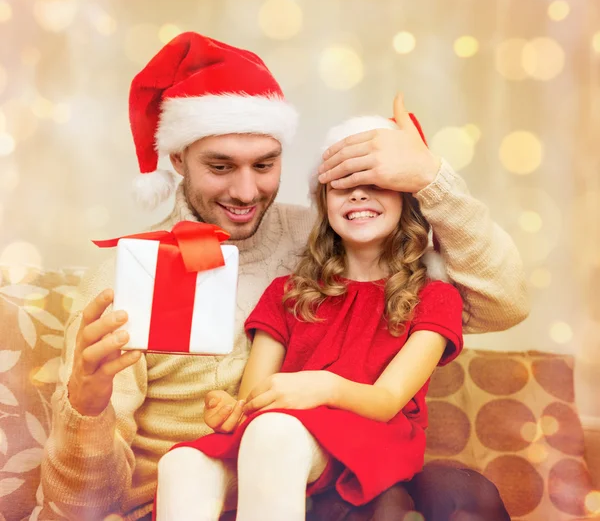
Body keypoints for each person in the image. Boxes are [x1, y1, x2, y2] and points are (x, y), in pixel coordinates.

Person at [39, 32, 526, 521]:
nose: (245, 190)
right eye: (220, 166)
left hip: (315, 485)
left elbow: (502, 302)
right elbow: (77, 508)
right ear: (177, 158)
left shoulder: (321, 243)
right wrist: (86, 407)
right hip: (184, 494)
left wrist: (431, 179)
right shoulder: (128, 276)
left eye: (264, 164)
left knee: (459, 495)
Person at [154, 114, 465, 521]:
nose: (357, 196)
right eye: (342, 186)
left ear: (407, 201)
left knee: (273, 433)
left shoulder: (433, 297)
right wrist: (232, 408)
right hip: (282, 433)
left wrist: (322, 387)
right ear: (323, 202)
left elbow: (387, 401)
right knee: (182, 464)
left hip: (371, 435)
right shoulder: (289, 292)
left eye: (374, 185)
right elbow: (256, 397)